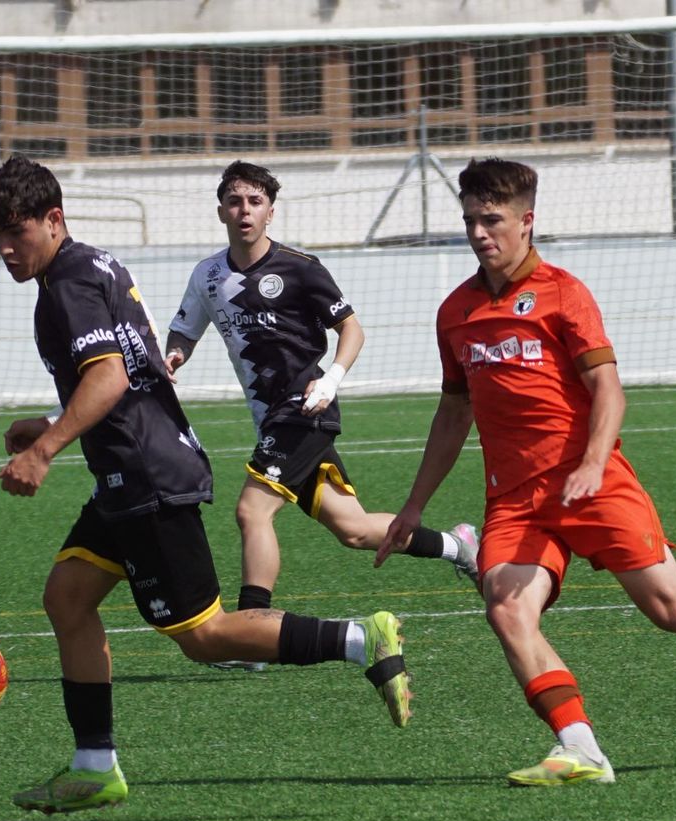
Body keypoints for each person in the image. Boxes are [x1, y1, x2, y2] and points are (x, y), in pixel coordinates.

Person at [0, 156, 414, 814]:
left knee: (205, 637)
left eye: (17, 232)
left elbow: (112, 379)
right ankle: (94, 766)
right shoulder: (95, 266)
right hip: (134, 467)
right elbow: (141, 368)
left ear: (53, 219)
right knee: (67, 597)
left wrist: (46, 447)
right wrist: (53, 420)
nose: (7, 248)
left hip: (147, 475)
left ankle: (361, 639)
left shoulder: (67, 283)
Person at [377, 157, 676, 787]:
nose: (480, 233)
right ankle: (581, 748)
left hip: (591, 481)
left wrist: (593, 462)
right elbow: (454, 410)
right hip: (514, 496)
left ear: (526, 221)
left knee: (674, 611)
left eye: (493, 220)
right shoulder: (456, 312)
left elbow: (609, 390)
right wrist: (414, 506)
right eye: (471, 221)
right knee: (507, 611)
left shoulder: (565, 293)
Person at [164, 161, 479, 652]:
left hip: (305, 407)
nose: (244, 210)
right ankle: (460, 547)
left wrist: (331, 379)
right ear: (221, 210)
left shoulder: (300, 267)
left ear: (270, 211)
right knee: (353, 529)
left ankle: (251, 637)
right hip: (271, 417)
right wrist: (176, 353)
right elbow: (185, 327)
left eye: (255, 201)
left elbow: (351, 329)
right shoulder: (207, 275)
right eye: (234, 201)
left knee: (251, 511)